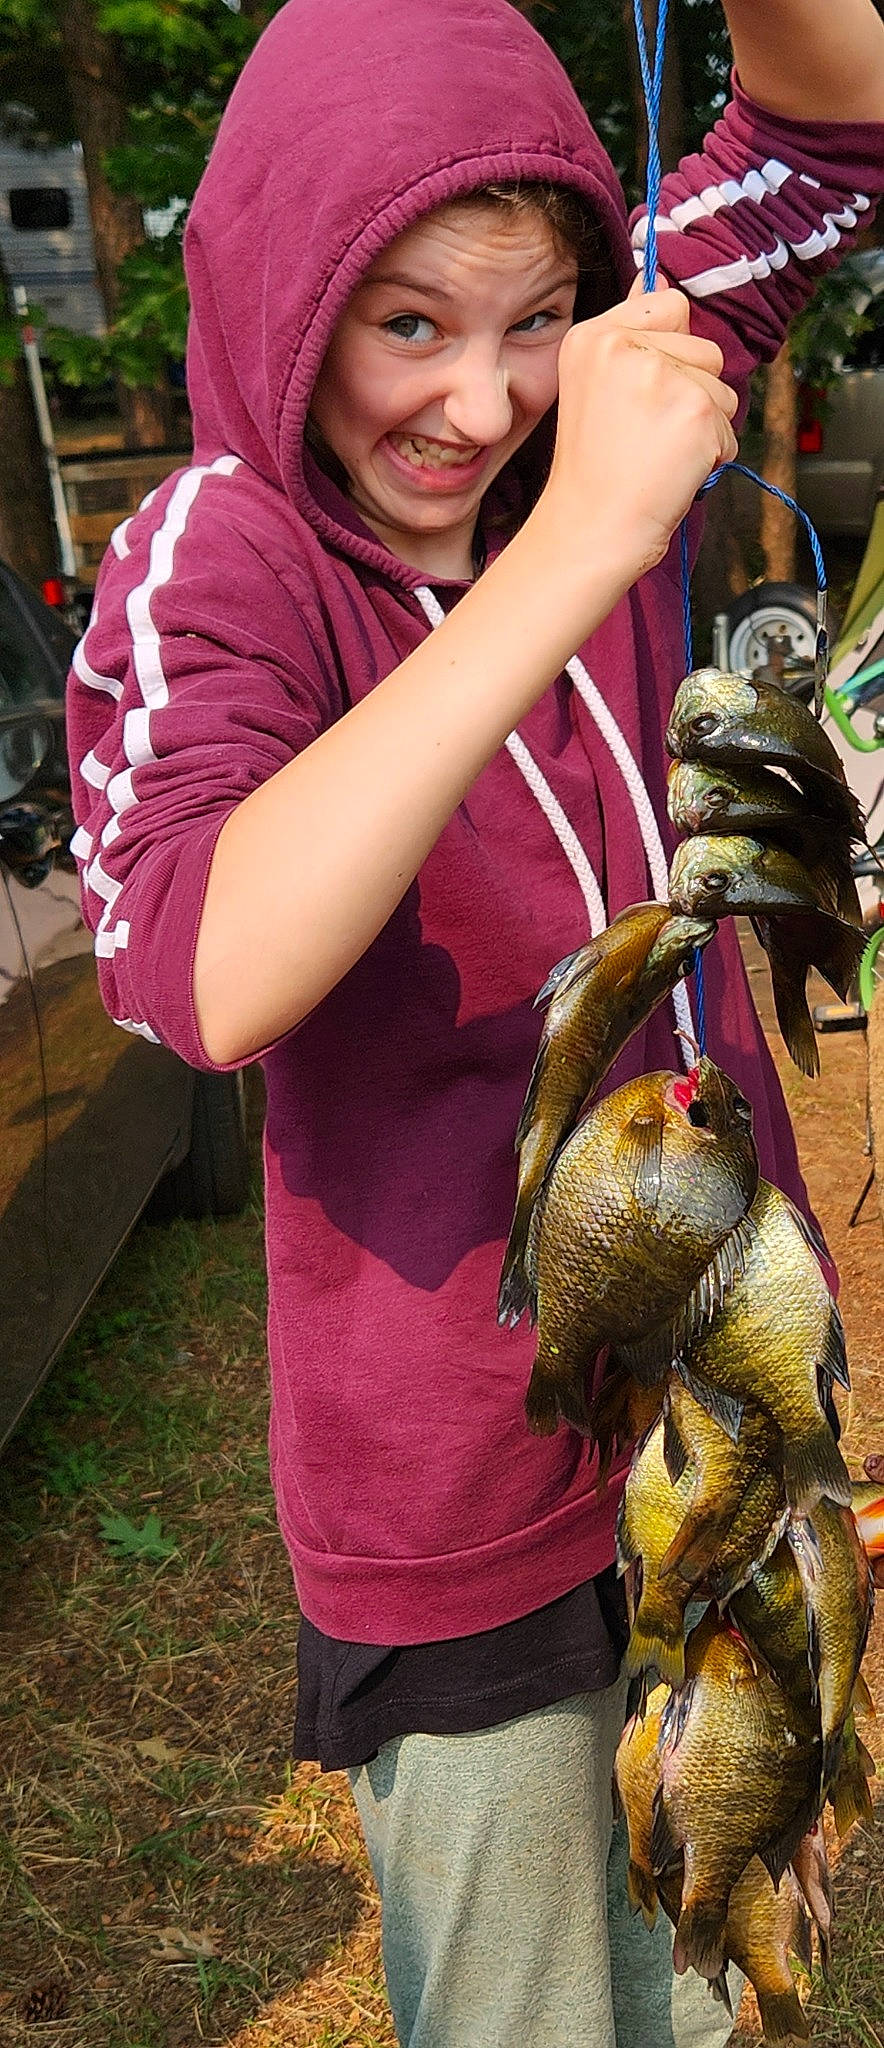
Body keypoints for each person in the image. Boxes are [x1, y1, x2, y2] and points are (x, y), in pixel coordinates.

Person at [66, 1, 884, 2042]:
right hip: (454, 1503)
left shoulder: (590, 410)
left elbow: (840, 108)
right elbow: (204, 965)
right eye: (406, 324)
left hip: (724, 1424)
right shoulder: (224, 554)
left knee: (727, 1969)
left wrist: (593, 477)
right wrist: (586, 545)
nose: (482, 401)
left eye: (535, 321)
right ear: (280, 289)